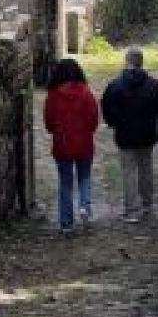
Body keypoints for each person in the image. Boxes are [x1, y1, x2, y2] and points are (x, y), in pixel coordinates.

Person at [101, 46, 158, 222]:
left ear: (127, 62)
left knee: (128, 172)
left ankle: (131, 210)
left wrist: (114, 123)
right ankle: (147, 206)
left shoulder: (116, 85)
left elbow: (106, 106)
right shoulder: (153, 85)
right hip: (147, 134)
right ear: (141, 62)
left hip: (125, 135)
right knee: (146, 169)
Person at [43, 57, 100, 235]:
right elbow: (93, 121)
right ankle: (84, 206)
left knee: (65, 183)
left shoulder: (53, 95)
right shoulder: (86, 93)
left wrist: (58, 130)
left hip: (62, 144)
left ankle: (66, 223)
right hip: (84, 143)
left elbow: (49, 123)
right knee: (84, 177)